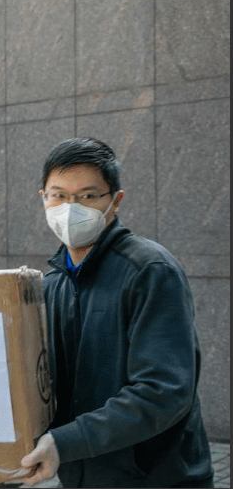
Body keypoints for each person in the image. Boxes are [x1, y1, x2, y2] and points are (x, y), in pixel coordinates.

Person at [17, 137, 214, 488]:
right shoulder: (50, 287)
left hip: (157, 480)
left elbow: (164, 391)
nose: (70, 207)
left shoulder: (149, 271)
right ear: (43, 199)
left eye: (88, 196)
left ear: (116, 201)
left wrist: (64, 442)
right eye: (58, 195)